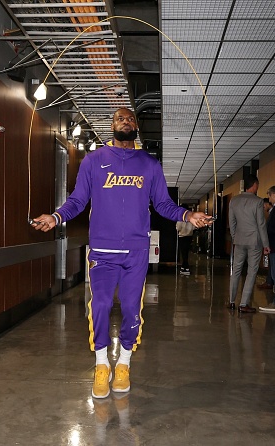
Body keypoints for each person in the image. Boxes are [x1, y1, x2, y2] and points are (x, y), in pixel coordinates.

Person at [31, 108, 212, 399]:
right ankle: (102, 365)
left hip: (136, 252)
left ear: (136, 126)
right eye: (119, 118)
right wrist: (56, 217)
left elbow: (163, 205)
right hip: (102, 251)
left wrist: (187, 214)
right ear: (112, 127)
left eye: (129, 118)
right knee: (99, 306)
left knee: (131, 310)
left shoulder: (150, 165)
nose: (125, 121)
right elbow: (78, 200)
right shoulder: (93, 161)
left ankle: (124, 364)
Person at [227, 174, 270, 313]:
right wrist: (266, 244)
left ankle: (231, 301)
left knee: (236, 270)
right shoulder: (257, 202)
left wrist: (235, 237)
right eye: (257, 185)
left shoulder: (234, 200)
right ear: (254, 185)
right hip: (254, 241)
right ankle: (244, 304)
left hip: (239, 240)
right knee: (251, 272)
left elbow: (232, 222)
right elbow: (261, 224)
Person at [257, 197, 274, 290]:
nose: (263, 207)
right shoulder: (270, 213)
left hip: (273, 242)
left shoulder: (273, 213)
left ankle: (269, 282)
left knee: (273, 263)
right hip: (270, 241)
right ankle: (269, 281)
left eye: (263, 205)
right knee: (271, 263)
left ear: (267, 204)